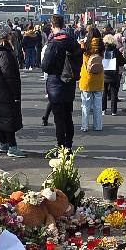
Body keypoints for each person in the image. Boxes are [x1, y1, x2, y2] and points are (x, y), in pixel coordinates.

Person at [40, 14, 80, 150]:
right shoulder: (72, 40)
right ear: (63, 25)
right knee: (68, 116)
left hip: (55, 83)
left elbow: (45, 66)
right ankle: (69, 146)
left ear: (52, 26)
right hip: (69, 83)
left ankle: (61, 147)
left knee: (59, 119)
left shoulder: (53, 43)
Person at [0, 24, 24, 157]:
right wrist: (15, 93)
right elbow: (9, 75)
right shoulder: (5, 53)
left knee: (1, 117)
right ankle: (12, 147)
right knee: (9, 118)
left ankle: (4, 144)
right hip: (6, 90)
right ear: (6, 35)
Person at [77, 26, 104, 131]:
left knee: (85, 104)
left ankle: (84, 126)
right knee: (98, 105)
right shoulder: (101, 46)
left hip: (87, 77)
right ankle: (98, 126)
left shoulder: (85, 45)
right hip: (99, 76)